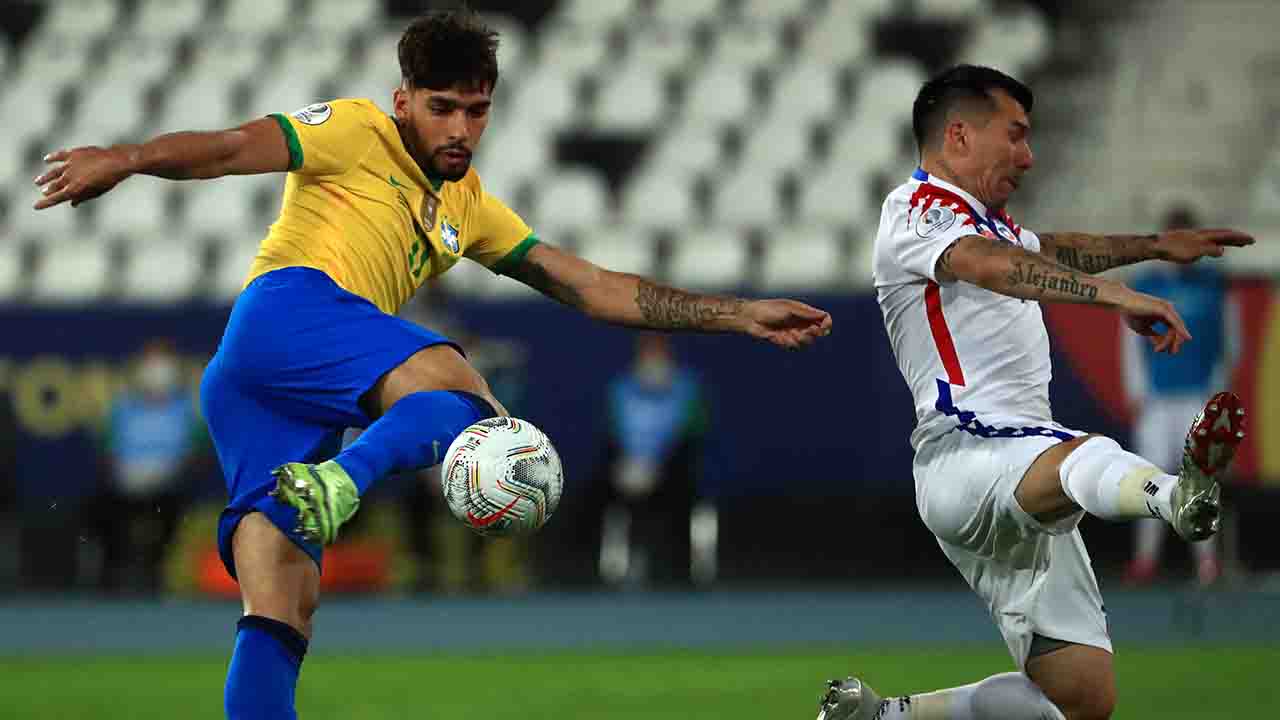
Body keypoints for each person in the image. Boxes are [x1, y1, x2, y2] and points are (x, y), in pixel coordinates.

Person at [32, 11, 831, 720]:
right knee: (471, 400)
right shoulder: (351, 128)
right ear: (404, 99)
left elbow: (587, 287)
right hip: (293, 308)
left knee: (282, 604)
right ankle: (346, 484)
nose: (458, 127)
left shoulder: (469, 205)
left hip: (258, 379)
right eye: (441, 107)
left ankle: (330, 498)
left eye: (475, 110)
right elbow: (237, 147)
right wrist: (128, 158)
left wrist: (735, 313)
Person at [817, 65, 1253, 720]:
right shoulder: (917, 210)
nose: (1028, 156)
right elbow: (991, 266)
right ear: (959, 136)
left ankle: (883, 717)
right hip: (970, 457)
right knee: (1083, 451)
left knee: (1079, 699)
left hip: (1017, 485)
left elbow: (1048, 249)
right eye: (1015, 135)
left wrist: (1156, 246)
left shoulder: (988, 222)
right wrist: (1116, 298)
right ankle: (1174, 496)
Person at [1123, 207, 1241, 587]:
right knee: (1149, 478)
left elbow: (1230, 343)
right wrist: (1136, 389)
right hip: (1157, 398)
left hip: (1198, 396)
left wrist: (1217, 393)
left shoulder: (1214, 285)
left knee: (1200, 478)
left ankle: (1207, 563)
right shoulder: (1146, 282)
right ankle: (1145, 560)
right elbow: (1129, 341)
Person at [89, 338, 209, 593]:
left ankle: (155, 572)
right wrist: (122, 472)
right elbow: (108, 451)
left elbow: (196, 452)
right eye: (151, 361)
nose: (157, 369)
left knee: (172, 509)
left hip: (168, 485)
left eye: (162, 361)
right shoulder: (123, 408)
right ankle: (113, 573)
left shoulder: (187, 409)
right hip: (126, 484)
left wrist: (171, 472)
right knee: (102, 508)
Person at [596, 333, 709, 588]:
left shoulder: (687, 387)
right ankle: (616, 569)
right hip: (628, 468)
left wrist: (659, 466)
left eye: (657, 352)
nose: (652, 359)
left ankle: (679, 570)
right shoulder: (621, 388)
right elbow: (612, 434)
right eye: (646, 352)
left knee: (681, 489)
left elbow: (694, 433)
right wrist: (626, 464)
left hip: (672, 469)